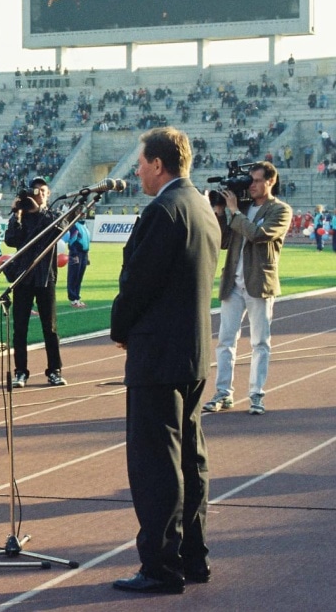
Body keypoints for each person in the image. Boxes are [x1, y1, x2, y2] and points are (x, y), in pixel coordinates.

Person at [110, 126, 219, 594]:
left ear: (159, 164)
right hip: (193, 352)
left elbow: (138, 282)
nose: (137, 171)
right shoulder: (203, 207)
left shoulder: (164, 210)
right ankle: (193, 555)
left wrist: (119, 330)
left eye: (141, 163)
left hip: (157, 354)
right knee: (190, 457)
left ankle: (160, 565)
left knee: (156, 463)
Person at [203, 161, 292, 415]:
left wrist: (235, 212)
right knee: (225, 341)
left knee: (260, 342)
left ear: (270, 181)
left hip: (259, 283)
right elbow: (222, 241)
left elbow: (258, 234)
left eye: (256, 180)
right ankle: (223, 392)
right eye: (249, 180)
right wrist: (220, 212)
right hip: (233, 281)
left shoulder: (281, 210)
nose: (251, 185)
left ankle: (256, 395)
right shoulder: (239, 208)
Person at [4, 177, 67, 387]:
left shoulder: (53, 214)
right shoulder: (22, 216)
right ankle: (20, 371)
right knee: (20, 328)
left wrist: (38, 210)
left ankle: (54, 370)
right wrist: (17, 213)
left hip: (45, 277)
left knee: (50, 328)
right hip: (23, 277)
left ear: (48, 194)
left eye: (43, 190)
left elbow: (60, 228)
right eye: (36, 190)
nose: (39, 193)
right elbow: (11, 239)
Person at [63, 221, 91, 308]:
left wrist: (87, 255)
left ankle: (77, 298)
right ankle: (73, 299)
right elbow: (72, 241)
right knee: (73, 276)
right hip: (76, 253)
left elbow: (86, 241)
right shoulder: (74, 225)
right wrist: (74, 254)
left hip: (84, 253)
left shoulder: (84, 225)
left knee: (79, 277)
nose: (84, 214)